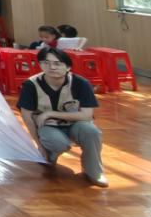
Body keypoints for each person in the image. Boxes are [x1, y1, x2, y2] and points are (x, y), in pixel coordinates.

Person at [18, 46, 107, 187]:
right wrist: (39, 145)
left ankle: (94, 172)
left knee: (92, 132)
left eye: (57, 63)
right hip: (48, 127)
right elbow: (26, 116)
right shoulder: (31, 85)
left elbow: (87, 115)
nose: (51, 67)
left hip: (76, 123)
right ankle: (49, 154)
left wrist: (50, 113)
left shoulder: (81, 83)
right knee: (57, 142)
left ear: (68, 67)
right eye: (46, 63)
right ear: (40, 65)